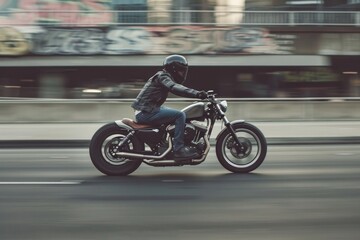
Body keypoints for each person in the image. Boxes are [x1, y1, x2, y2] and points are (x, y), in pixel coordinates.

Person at [131, 55, 207, 160]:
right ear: (173, 69)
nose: (182, 74)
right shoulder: (163, 77)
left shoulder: (163, 76)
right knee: (180, 115)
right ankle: (178, 149)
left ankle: (167, 143)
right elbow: (174, 87)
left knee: (176, 113)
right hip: (145, 112)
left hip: (149, 109)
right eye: (181, 70)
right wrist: (197, 94)